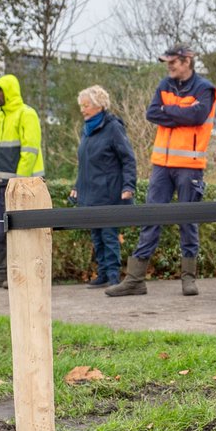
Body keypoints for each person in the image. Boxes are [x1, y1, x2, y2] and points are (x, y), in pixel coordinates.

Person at [107, 45, 216, 297]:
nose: (169, 67)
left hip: (190, 166)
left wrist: (168, 111)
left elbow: (198, 116)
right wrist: (180, 114)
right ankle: (135, 279)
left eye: (173, 62)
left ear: (187, 61)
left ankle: (188, 279)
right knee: (151, 217)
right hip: (161, 165)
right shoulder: (164, 85)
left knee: (187, 221)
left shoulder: (205, 88)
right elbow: (152, 113)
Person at [69, 85, 137, 287]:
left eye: (86, 105)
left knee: (109, 235)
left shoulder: (113, 127)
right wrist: (77, 187)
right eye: (81, 105)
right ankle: (103, 274)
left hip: (109, 192)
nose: (82, 109)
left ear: (99, 105)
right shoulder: (86, 130)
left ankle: (113, 276)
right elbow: (85, 164)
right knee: (96, 236)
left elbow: (128, 159)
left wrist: (128, 186)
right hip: (91, 193)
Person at [0, 74, 44, 290]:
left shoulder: (27, 114)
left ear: (9, 91)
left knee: (18, 231)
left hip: (20, 186)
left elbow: (29, 152)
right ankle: (0, 273)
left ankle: (19, 273)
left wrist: (18, 183)